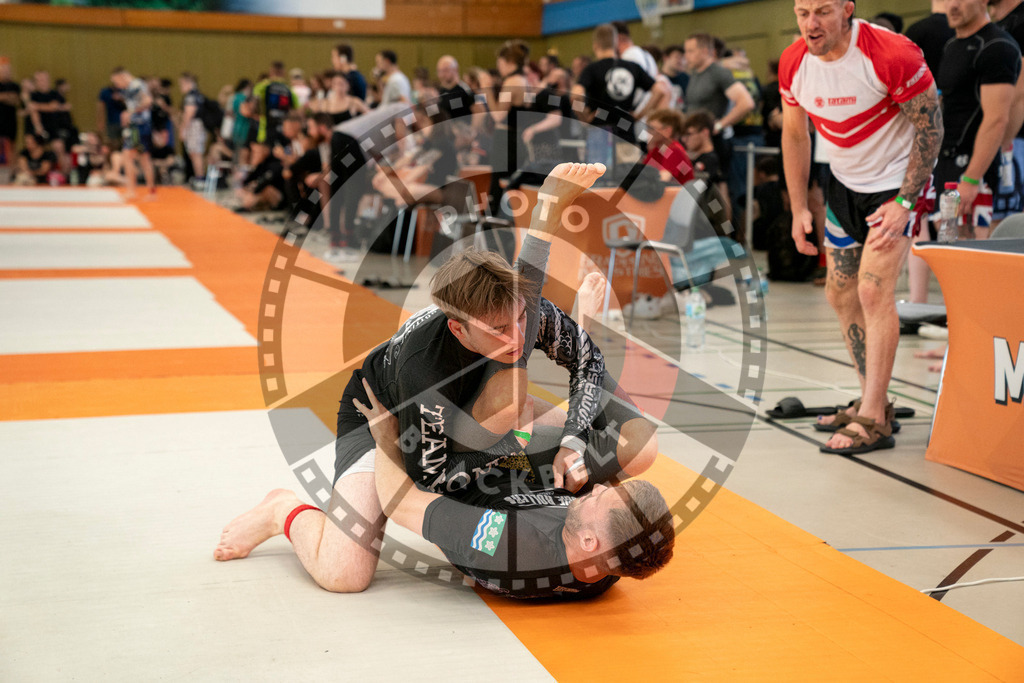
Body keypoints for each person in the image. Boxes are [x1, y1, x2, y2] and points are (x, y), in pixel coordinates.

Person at [215, 163, 660, 594]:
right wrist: (389, 438)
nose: (518, 335)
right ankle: (282, 511)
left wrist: (571, 444)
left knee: (638, 447)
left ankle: (547, 377)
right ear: (459, 328)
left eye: (522, 318)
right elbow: (426, 482)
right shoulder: (421, 373)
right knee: (343, 573)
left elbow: (586, 361)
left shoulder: (522, 314)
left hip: (493, 430)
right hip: (388, 417)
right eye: (500, 330)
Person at [780, 0, 943, 454]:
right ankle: (875, 399)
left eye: (823, 12)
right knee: (840, 292)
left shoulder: (891, 54)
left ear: (847, 9)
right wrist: (798, 207)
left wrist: (906, 201)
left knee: (873, 291)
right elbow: (795, 133)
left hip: (895, 187)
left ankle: (873, 417)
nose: (811, 23)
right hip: (844, 187)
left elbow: (932, 128)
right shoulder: (795, 62)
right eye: (802, 12)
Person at [352, 377, 674, 599]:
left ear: (589, 541)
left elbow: (402, 505)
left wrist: (384, 439)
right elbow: (634, 529)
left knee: (345, 573)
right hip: (524, 474)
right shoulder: (610, 563)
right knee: (641, 448)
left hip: (459, 470)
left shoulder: (507, 544)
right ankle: (582, 353)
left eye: (600, 497)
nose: (599, 487)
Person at [573, 24, 668, 167]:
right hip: (626, 128)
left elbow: (575, 95)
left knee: (599, 179)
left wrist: (584, 118)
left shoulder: (591, 69)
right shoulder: (632, 67)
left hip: (599, 128)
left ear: (595, 45)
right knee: (627, 177)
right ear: (616, 43)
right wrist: (639, 115)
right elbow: (660, 90)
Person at [683, 33, 755, 180]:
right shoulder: (695, 73)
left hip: (713, 143)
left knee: (717, 190)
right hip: (696, 142)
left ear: (704, 51)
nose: (686, 56)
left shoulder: (718, 73)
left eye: (690, 51)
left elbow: (746, 103)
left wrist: (720, 125)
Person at [111, 67, 156, 198]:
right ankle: (146, 190)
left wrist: (131, 112)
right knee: (139, 157)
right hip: (136, 126)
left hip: (140, 126)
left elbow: (148, 101)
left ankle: (134, 190)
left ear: (122, 76)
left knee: (135, 157)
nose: (117, 85)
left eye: (116, 81)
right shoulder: (130, 88)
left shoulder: (136, 85)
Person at [643, 108, 695, 185]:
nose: (648, 132)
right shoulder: (658, 150)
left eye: (652, 128)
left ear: (667, 131)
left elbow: (662, 180)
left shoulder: (674, 151)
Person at [177, 72, 207, 187]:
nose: (181, 88)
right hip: (196, 125)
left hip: (194, 125)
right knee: (194, 152)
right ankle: (199, 176)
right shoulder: (197, 95)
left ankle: (200, 178)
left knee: (196, 153)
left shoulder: (191, 96)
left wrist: (182, 129)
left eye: (182, 84)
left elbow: (189, 113)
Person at [0, 57, 19, 179]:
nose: (6, 72)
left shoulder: (14, 85)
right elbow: (11, 98)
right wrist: (8, 97)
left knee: (11, 148)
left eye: (8, 70)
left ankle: (11, 175)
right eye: (4, 69)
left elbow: (16, 99)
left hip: (10, 122)